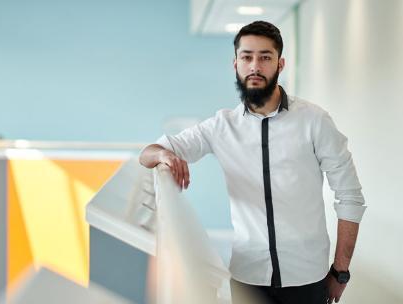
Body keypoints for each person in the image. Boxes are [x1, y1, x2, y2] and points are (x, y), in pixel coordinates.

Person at [139, 21, 366, 304]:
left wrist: (341, 271)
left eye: (265, 57)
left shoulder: (314, 121)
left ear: (280, 64)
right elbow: (148, 153)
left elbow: (350, 196)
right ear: (235, 64)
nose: (255, 66)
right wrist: (166, 155)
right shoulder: (221, 125)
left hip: (308, 278)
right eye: (247, 57)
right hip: (248, 277)